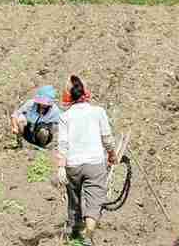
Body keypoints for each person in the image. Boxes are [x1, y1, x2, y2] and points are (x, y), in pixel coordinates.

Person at [57, 76, 117, 246]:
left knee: (74, 199)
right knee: (94, 200)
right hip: (94, 164)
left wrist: (61, 166)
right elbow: (107, 138)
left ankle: (75, 233)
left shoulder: (65, 116)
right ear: (86, 94)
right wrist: (112, 154)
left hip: (73, 165)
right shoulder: (98, 112)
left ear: (68, 97)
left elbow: (62, 143)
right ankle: (87, 235)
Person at [10, 85, 61, 150]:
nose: (44, 105)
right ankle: (20, 143)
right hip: (28, 132)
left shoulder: (55, 110)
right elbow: (15, 115)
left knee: (43, 131)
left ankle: (41, 147)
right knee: (20, 118)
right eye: (42, 102)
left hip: (43, 135)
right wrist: (15, 127)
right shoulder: (30, 104)